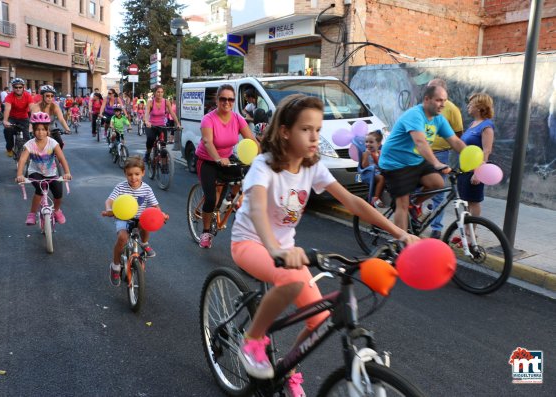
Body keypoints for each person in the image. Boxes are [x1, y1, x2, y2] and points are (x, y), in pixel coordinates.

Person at [230, 95, 418, 395]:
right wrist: (275, 249)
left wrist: (399, 232)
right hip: (251, 243)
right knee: (290, 279)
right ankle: (252, 340)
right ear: (285, 132)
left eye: (318, 129)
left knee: (319, 319)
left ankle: (287, 369)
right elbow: (255, 209)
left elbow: (353, 202)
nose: (315, 136)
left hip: (288, 251)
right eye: (306, 129)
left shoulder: (312, 167)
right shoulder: (263, 166)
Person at [378, 85, 466, 231]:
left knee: (438, 183)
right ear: (427, 99)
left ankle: (415, 205)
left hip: (415, 161)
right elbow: (420, 142)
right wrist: (436, 163)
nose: (443, 105)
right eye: (439, 100)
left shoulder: (439, 119)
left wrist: (475, 160)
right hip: (395, 163)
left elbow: (455, 141)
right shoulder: (415, 115)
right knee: (402, 205)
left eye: (444, 101)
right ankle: (401, 246)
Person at [195, 84, 259, 249]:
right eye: (223, 98)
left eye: (230, 99)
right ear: (217, 100)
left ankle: (230, 199)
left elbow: (251, 139)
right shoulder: (208, 119)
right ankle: (206, 232)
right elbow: (208, 142)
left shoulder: (237, 118)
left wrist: (263, 156)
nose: (227, 102)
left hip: (228, 158)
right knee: (210, 199)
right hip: (208, 160)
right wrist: (217, 158)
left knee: (244, 176)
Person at [101, 156, 160, 286]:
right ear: (125, 174)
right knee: (122, 238)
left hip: (139, 218)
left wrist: (161, 215)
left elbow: (155, 206)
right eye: (130, 174)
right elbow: (109, 200)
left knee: (146, 222)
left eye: (137, 174)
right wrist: (108, 210)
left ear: (143, 173)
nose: (133, 178)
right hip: (123, 218)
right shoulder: (120, 187)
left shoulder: (147, 189)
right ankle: (115, 266)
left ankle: (144, 243)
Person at [15, 112, 72, 226]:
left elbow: (62, 158)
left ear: (47, 131)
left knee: (58, 194)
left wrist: (67, 173)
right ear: (33, 131)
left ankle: (56, 210)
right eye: (37, 129)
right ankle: (32, 214)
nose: (40, 132)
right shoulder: (30, 144)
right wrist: (20, 175)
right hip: (35, 172)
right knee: (39, 190)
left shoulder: (53, 143)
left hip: (51, 172)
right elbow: (22, 160)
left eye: (43, 129)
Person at [426, 78, 464, 239]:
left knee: (439, 192)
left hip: (441, 153)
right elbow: (419, 140)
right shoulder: (421, 110)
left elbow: (457, 134)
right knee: (415, 189)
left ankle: (436, 227)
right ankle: (414, 218)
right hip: (421, 153)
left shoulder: (452, 110)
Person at [457, 93, 495, 219]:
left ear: (479, 107)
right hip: (465, 169)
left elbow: (487, 151)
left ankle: (471, 233)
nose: (468, 106)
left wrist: (478, 173)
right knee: (466, 201)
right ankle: (467, 232)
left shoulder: (486, 126)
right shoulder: (473, 123)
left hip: (475, 170)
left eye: (471, 104)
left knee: (474, 202)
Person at [143, 86, 180, 161]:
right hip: (151, 125)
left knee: (163, 144)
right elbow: (146, 113)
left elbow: (172, 113)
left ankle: (164, 164)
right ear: (155, 93)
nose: (160, 94)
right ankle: (148, 153)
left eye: (161, 92)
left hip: (162, 125)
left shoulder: (166, 102)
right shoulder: (150, 102)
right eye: (158, 92)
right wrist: (147, 121)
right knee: (151, 139)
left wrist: (178, 124)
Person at [3, 78, 34, 157]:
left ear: (23, 87)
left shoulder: (28, 95)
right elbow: (7, 109)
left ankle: (27, 155)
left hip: (24, 118)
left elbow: (32, 108)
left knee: (28, 137)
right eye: (16, 87)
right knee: (8, 130)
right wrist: (5, 120)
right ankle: (9, 148)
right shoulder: (9, 96)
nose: (18, 89)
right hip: (12, 118)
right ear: (13, 88)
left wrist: (33, 120)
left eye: (20, 87)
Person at [360, 130, 385, 208]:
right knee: (381, 178)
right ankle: (376, 198)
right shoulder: (366, 153)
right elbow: (364, 166)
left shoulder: (380, 153)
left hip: (378, 173)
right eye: (366, 142)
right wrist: (367, 155)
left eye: (371, 142)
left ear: (378, 144)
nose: (368, 144)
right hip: (368, 173)